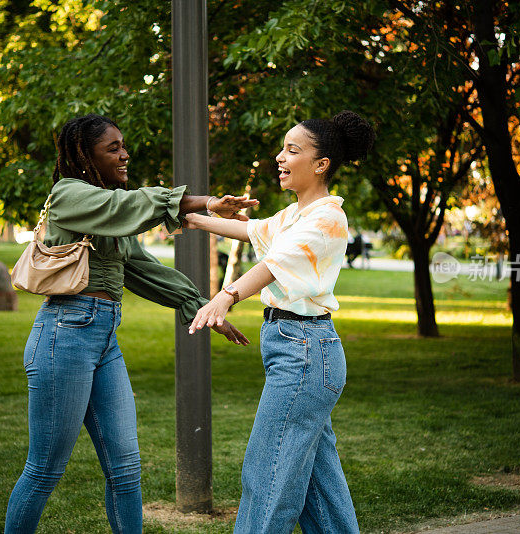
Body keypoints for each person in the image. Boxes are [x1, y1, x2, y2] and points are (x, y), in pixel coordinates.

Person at [4, 114, 256, 533]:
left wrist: (202, 305)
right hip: (64, 336)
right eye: (113, 148)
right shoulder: (70, 195)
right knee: (44, 470)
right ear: (86, 155)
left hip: (102, 339)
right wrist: (205, 202)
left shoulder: (108, 216)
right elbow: (133, 205)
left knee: (126, 469)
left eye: (124, 146)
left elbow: (142, 269)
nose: (124, 155)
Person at [185, 110, 375, 534]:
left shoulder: (328, 217)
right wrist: (195, 218)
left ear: (321, 164)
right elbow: (253, 230)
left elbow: (274, 264)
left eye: (292, 150)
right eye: (281, 149)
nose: (279, 157)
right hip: (298, 349)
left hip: (305, 353)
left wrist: (227, 294)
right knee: (318, 487)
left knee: (268, 473)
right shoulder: (295, 215)